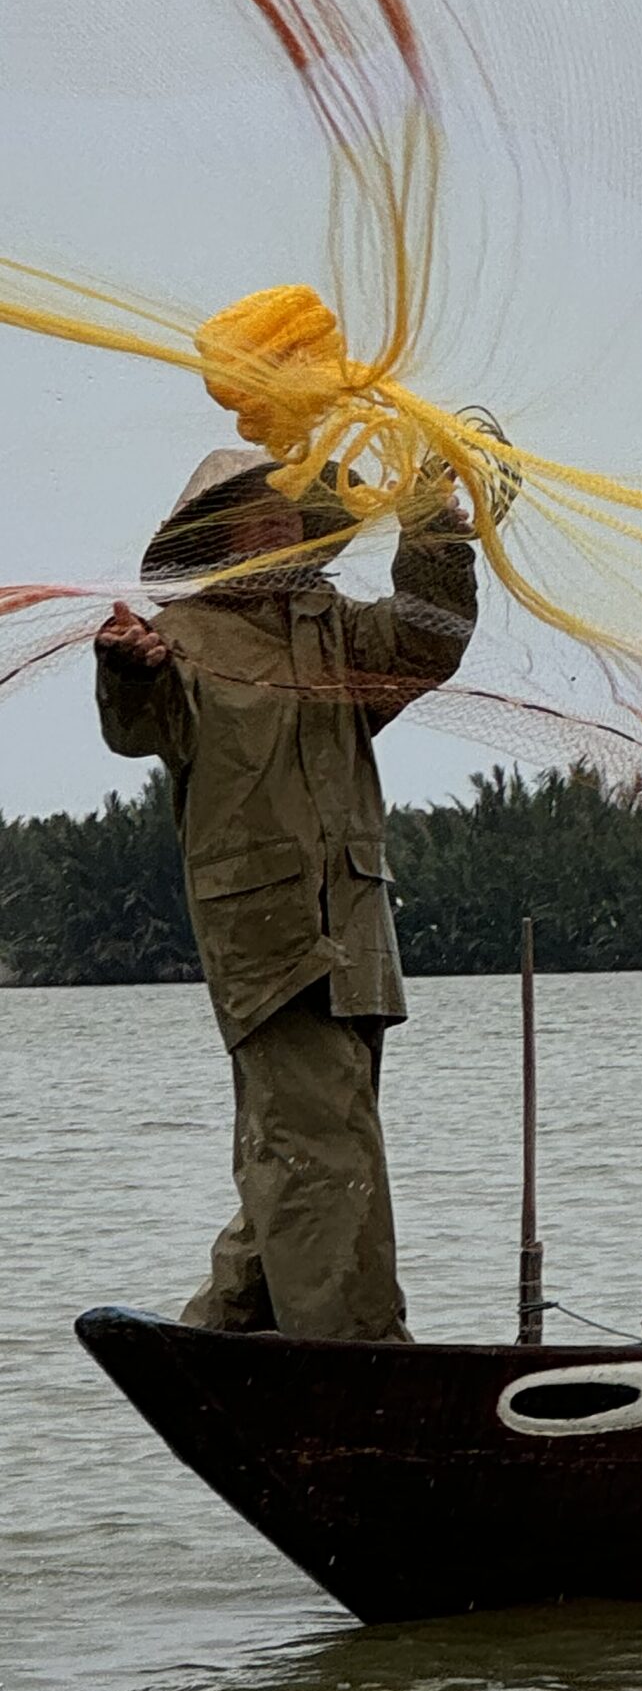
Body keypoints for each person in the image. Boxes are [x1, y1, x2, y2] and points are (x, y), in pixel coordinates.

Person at [94, 448, 477, 1341]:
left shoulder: (335, 630)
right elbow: (139, 726)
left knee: (308, 1140)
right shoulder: (183, 637)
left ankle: (221, 1339)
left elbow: (430, 640)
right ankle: (360, 1356)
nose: (276, 521)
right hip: (267, 939)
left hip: (356, 929)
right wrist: (128, 668)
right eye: (252, 511)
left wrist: (432, 530)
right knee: (324, 1146)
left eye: (287, 506)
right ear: (216, 537)